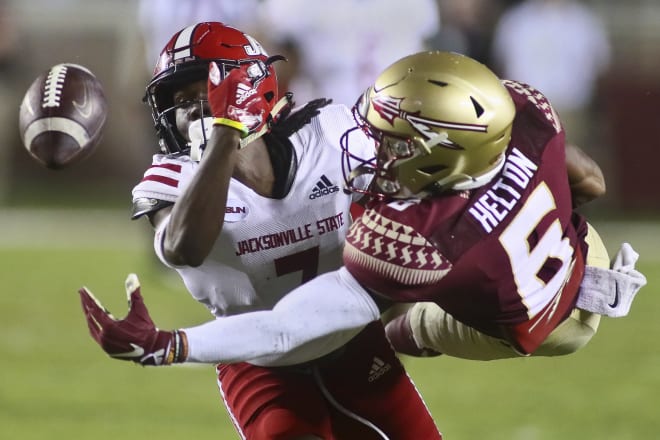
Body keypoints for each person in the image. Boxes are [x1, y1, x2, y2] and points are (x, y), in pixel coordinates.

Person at [80, 50, 646, 388]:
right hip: (583, 254)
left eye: (393, 140)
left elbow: (282, 329)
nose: (374, 143)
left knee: (393, 324)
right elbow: (589, 181)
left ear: (439, 152)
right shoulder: (526, 115)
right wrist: (522, 196)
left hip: (540, 328)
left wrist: (172, 344)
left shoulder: (418, 243)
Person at [79, 22, 441, 440]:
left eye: (206, 92)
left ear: (254, 87)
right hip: (256, 363)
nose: (193, 110)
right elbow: (185, 247)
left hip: (356, 344)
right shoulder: (168, 179)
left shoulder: (330, 134)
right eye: (180, 102)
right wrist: (226, 135)